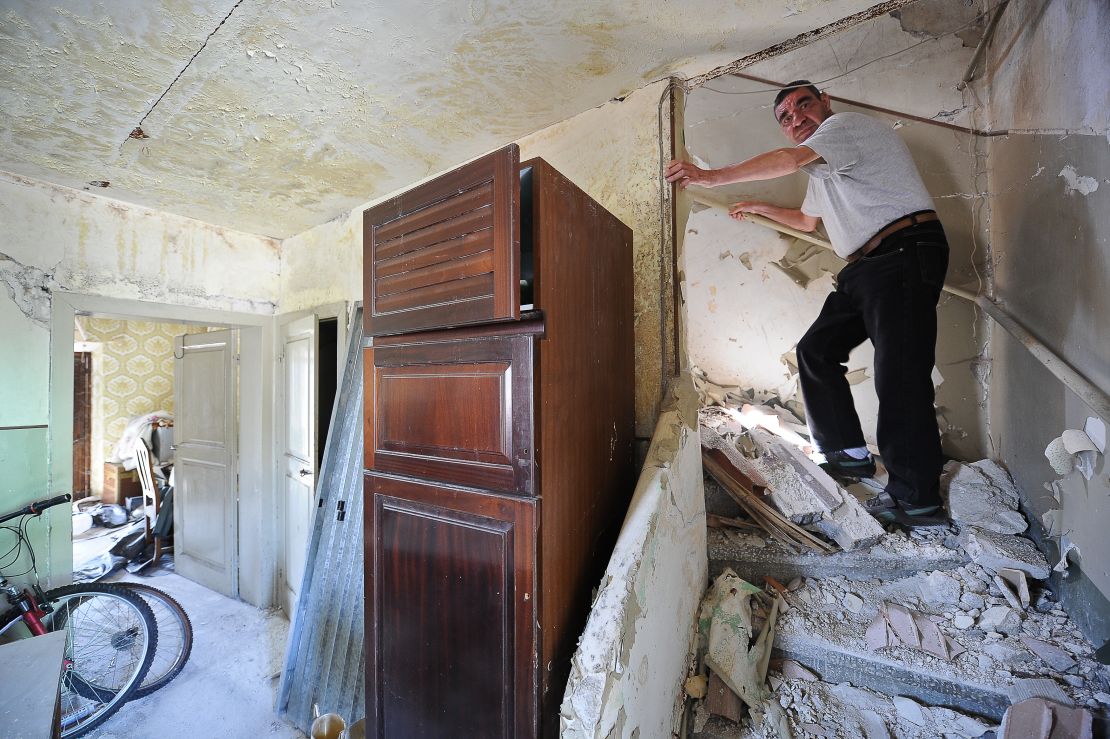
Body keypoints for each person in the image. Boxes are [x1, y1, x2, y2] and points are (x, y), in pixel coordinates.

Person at [665, 80, 949, 527]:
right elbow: (804, 219)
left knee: (899, 375)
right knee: (815, 351)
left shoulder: (843, 129)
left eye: (803, 105)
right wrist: (757, 208)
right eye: (785, 117)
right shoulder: (824, 171)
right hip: (865, 266)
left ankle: (918, 500)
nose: (795, 117)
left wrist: (708, 176)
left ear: (825, 104)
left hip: (903, 250)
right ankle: (848, 456)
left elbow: (786, 162)